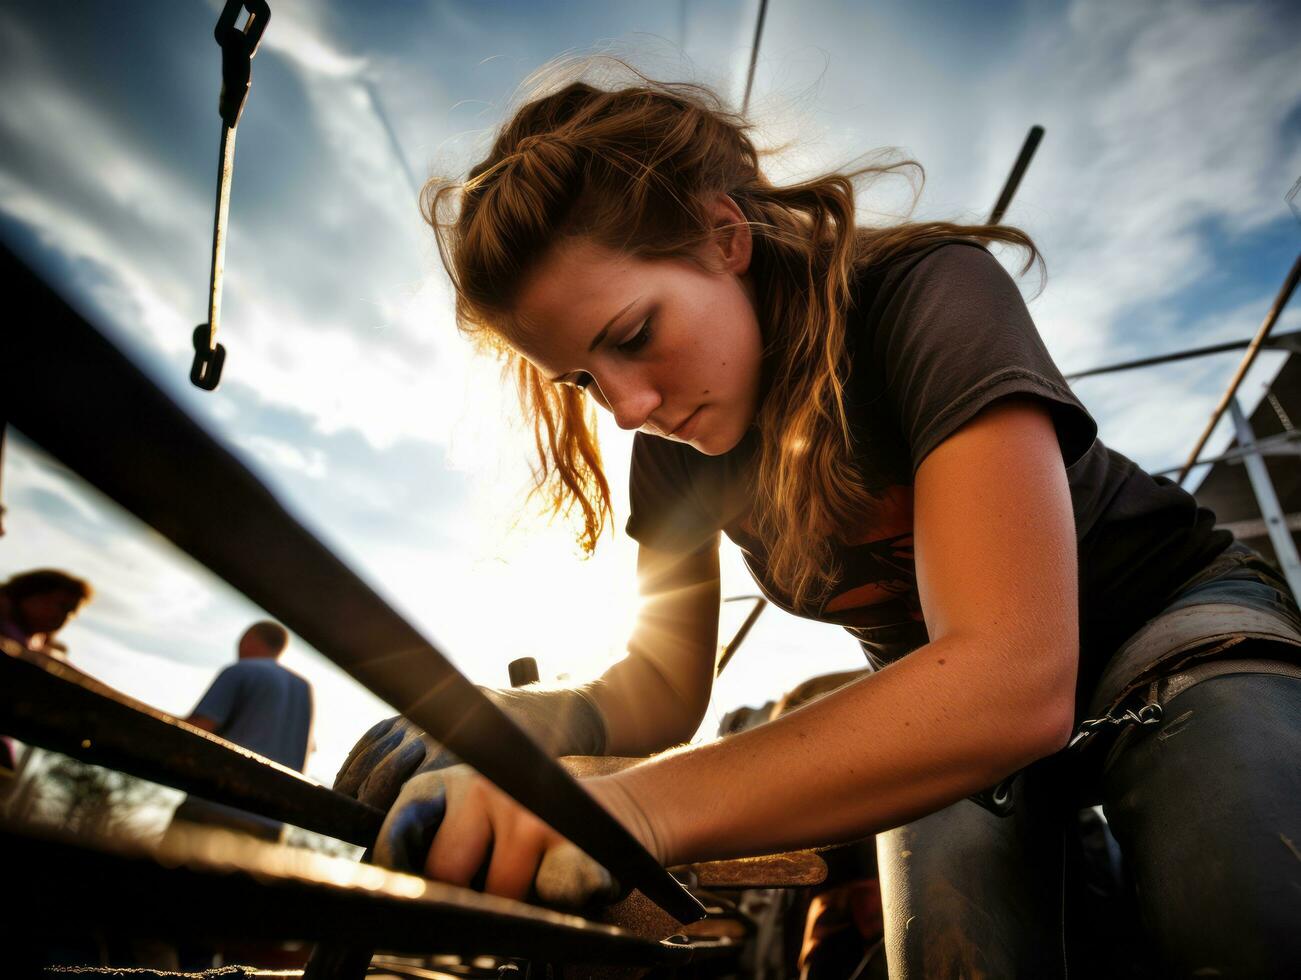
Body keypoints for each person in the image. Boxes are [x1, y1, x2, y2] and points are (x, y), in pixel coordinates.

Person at [334, 73, 1301, 977]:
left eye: (632, 336)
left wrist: (629, 809)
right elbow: (663, 691)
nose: (625, 406)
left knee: (1251, 901)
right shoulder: (672, 445)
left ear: (724, 236)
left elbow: (1011, 675)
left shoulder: (925, 293)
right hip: (938, 706)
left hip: (1167, 623)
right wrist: (509, 726)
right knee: (951, 954)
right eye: (584, 380)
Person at [169, 621, 314, 842]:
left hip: (216, 806)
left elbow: (198, 728)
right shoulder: (304, 690)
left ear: (249, 639)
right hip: (272, 823)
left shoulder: (241, 670)